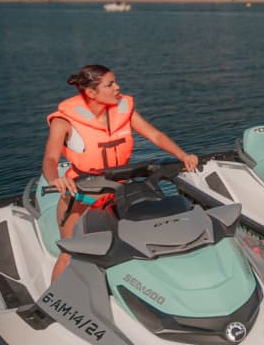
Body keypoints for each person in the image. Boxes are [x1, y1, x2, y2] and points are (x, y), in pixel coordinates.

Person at [43, 64, 199, 280]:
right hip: (81, 195)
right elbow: (51, 158)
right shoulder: (64, 121)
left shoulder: (124, 111)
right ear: (91, 93)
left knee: (132, 244)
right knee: (71, 254)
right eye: (110, 84)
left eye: (115, 82)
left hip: (117, 193)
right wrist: (55, 180)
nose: (118, 87)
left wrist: (183, 155)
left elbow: (155, 136)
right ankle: (54, 303)